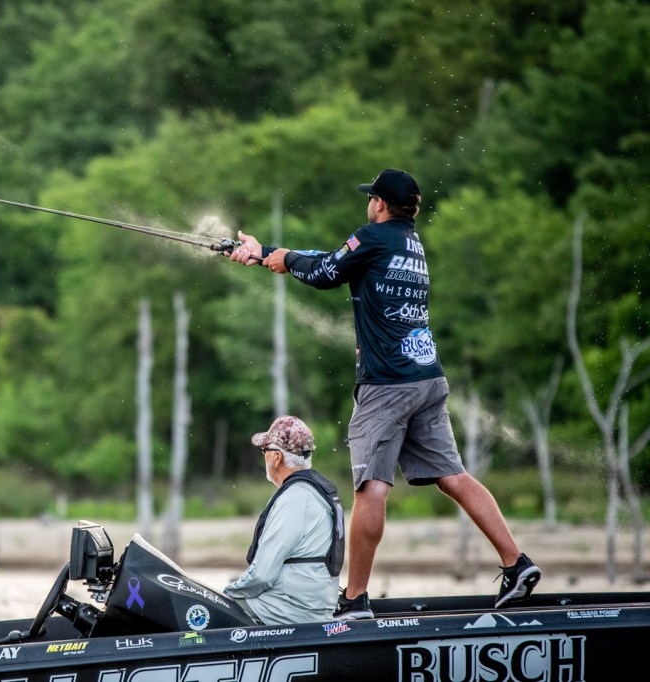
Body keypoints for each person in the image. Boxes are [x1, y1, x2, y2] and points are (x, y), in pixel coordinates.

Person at [229, 170, 541, 619]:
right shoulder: (409, 243)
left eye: (370, 198)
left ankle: (354, 598)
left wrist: (284, 259)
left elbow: (325, 272)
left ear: (379, 203)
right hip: (427, 378)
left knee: (371, 487)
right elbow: (336, 260)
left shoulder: (372, 237)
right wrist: (266, 254)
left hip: (387, 386)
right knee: (453, 476)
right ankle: (517, 563)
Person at [223, 416, 343, 624]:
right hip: (314, 605)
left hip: (287, 610)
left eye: (265, 450)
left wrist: (226, 594)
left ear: (277, 457)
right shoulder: (316, 491)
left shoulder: (295, 498)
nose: (264, 456)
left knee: (211, 608)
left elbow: (262, 574)